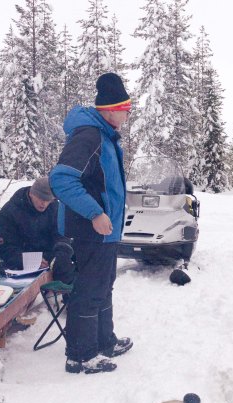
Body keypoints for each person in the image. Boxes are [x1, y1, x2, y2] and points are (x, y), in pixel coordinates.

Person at [49, 72, 134, 374]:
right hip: (90, 231)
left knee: (103, 286)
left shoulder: (106, 136)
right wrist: (96, 214)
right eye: (125, 106)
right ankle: (81, 356)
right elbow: (61, 179)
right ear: (110, 109)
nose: (129, 111)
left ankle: (104, 341)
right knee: (88, 290)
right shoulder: (89, 135)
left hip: (106, 233)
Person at [0, 177, 60, 271]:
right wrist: (28, 260)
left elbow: (61, 235)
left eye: (48, 200)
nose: (44, 203)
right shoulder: (9, 212)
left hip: (49, 262)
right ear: (31, 194)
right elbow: (4, 248)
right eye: (40, 198)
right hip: (20, 267)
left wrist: (60, 254)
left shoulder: (54, 207)